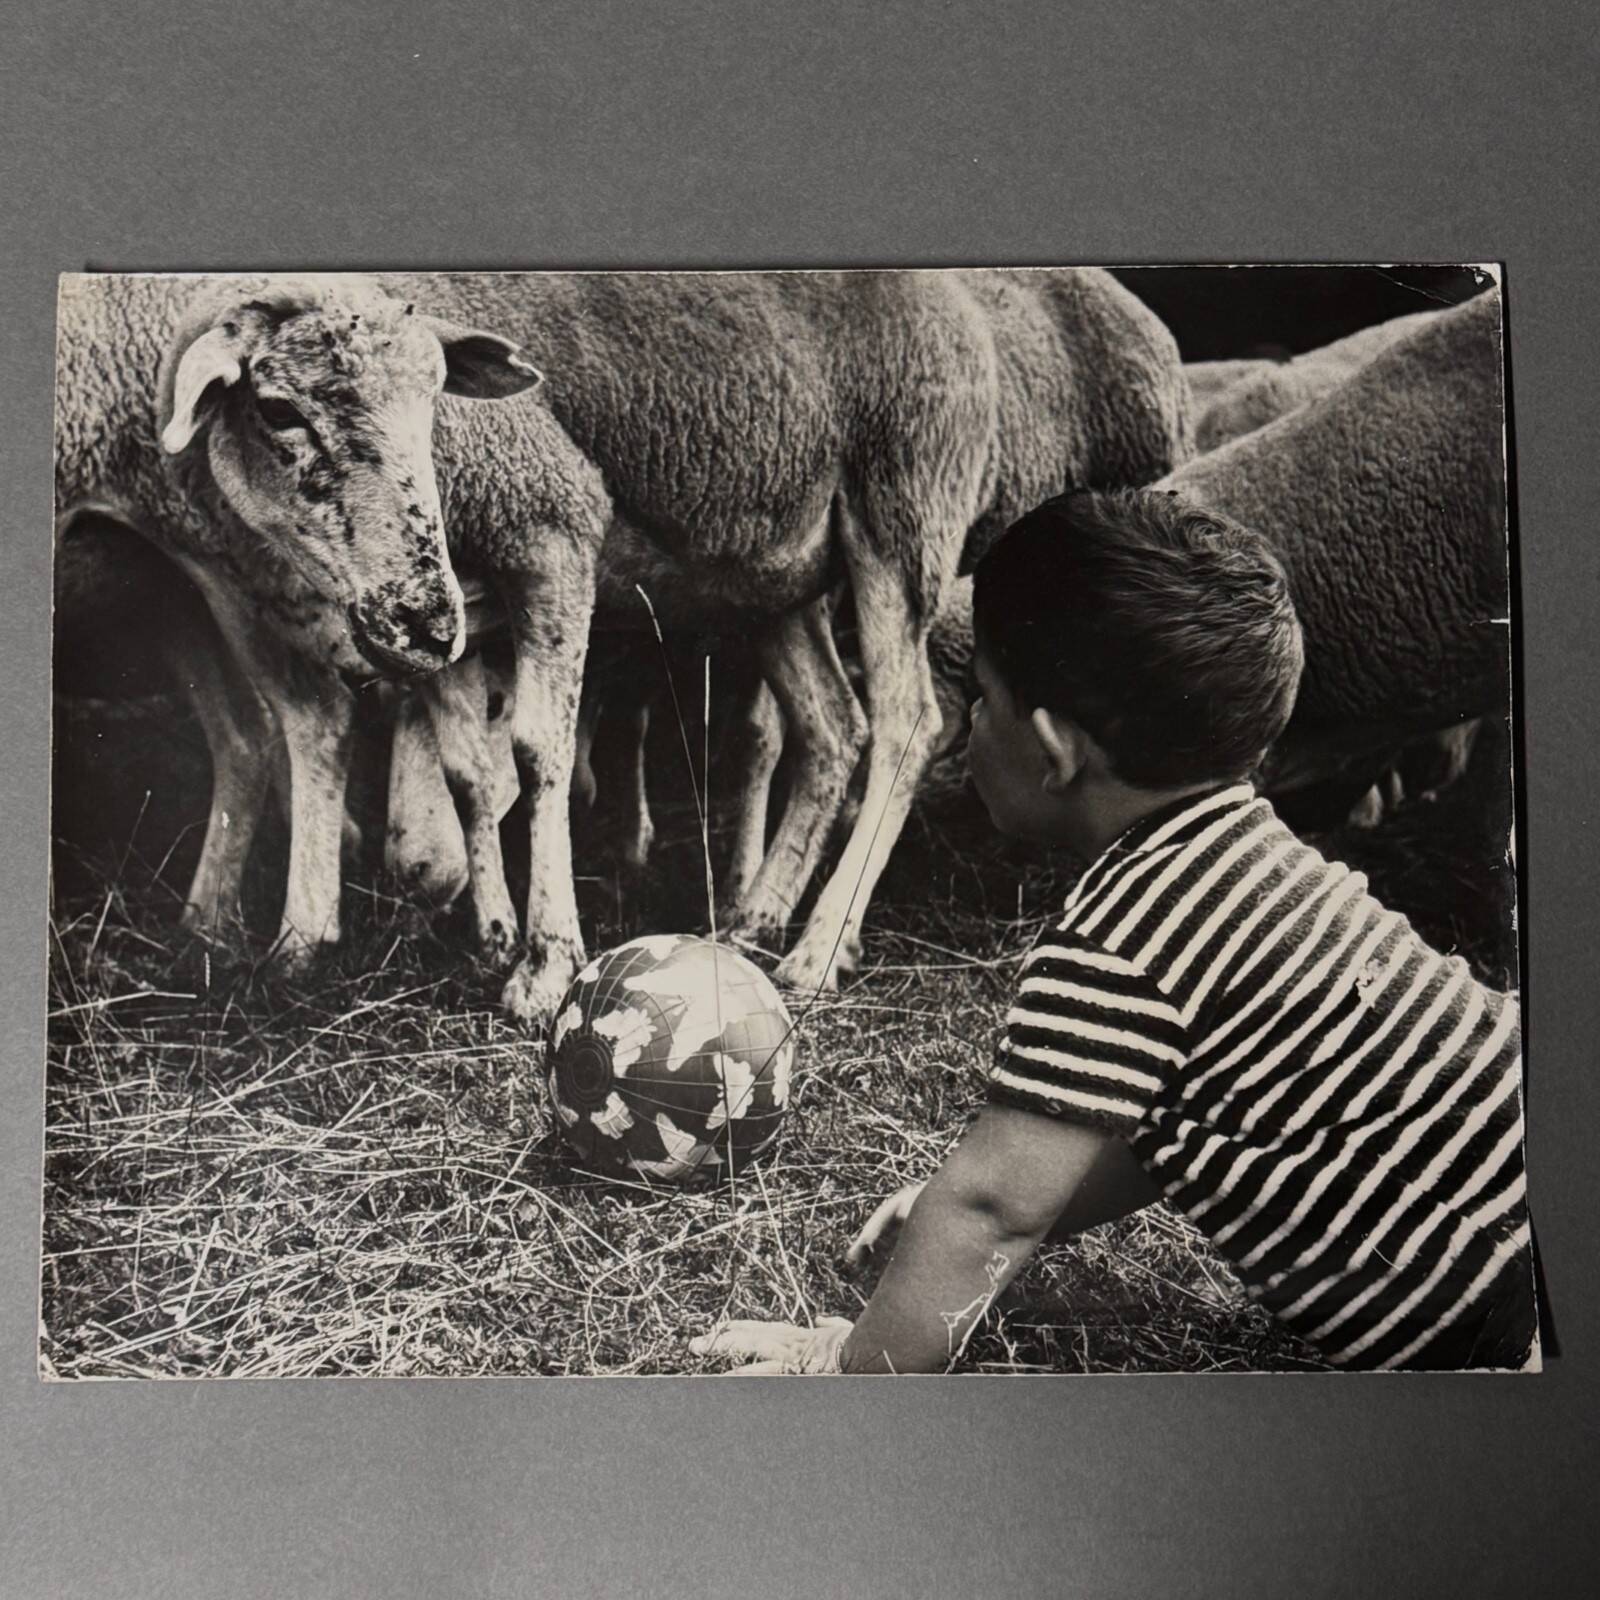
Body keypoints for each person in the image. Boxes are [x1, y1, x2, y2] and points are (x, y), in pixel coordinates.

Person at [691, 489, 1537, 1375]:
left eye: (982, 695)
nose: (969, 723)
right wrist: (1023, 1205)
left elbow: (989, 1207)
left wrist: (849, 1364)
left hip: (1503, 1325)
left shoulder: (1119, 938)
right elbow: (1164, 1126)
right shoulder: (1255, 862)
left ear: (1055, 750)